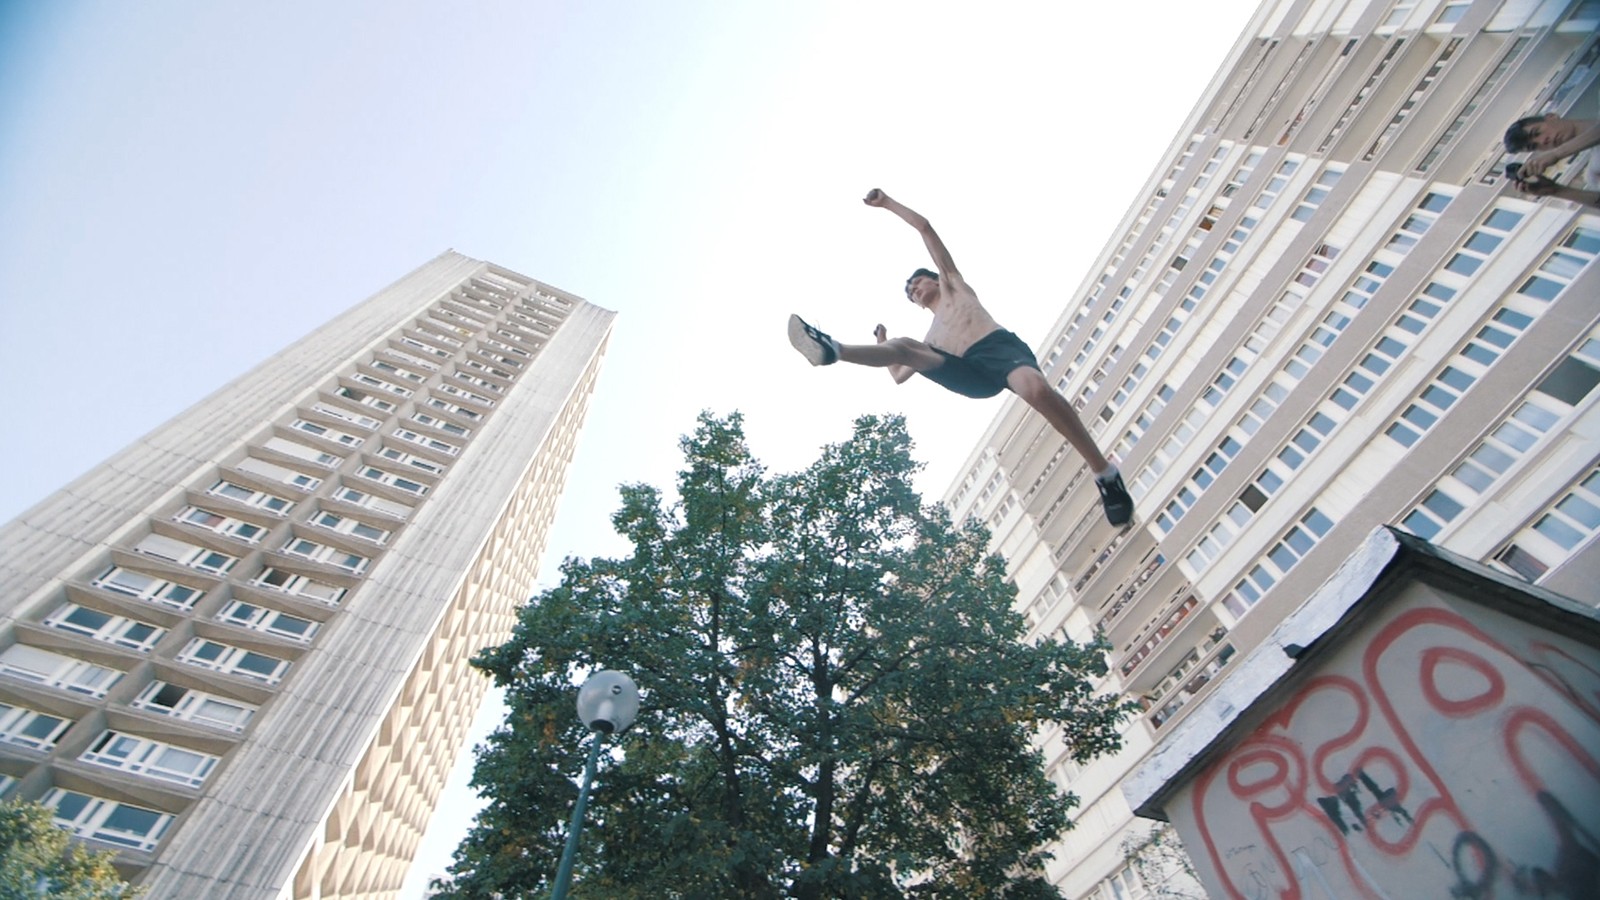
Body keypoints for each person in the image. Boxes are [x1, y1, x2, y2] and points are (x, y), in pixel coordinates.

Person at [787, 189, 1135, 527]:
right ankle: (834, 350)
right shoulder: (931, 338)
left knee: (1035, 391)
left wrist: (888, 204)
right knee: (906, 345)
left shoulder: (954, 286)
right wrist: (881, 340)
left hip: (998, 350)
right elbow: (897, 373)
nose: (914, 290)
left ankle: (1105, 474)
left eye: (918, 283)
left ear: (935, 280)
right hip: (968, 373)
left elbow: (925, 228)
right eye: (910, 292)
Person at [1504, 112, 1600, 205]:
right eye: (1534, 146)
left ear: (1551, 116)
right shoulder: (1594, 172)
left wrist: (1557, 153)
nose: (1542, 141)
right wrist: (1556, 191)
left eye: (1537, 132)